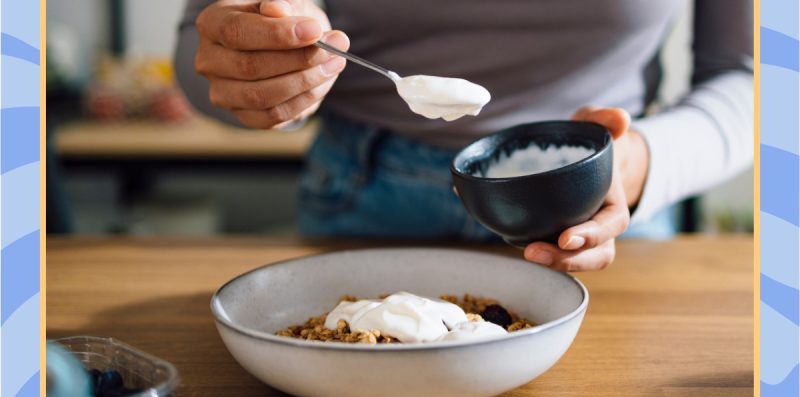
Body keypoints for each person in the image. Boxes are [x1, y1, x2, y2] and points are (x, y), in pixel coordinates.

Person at [174, 0, 753, 272]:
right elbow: (200, 48)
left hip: (605, 207)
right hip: (368, 195)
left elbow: (754, 81)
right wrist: (262, 65)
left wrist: (638, 163)